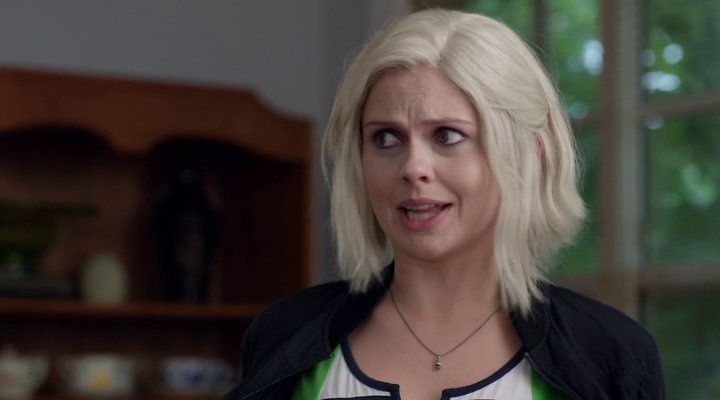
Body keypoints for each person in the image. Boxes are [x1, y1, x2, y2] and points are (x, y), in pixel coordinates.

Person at [223, 8, 665, 400]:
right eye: (386, 138)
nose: (413, 168)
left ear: (528, 155)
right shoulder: (283, 335)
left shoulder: (612, 356)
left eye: (447, 136)